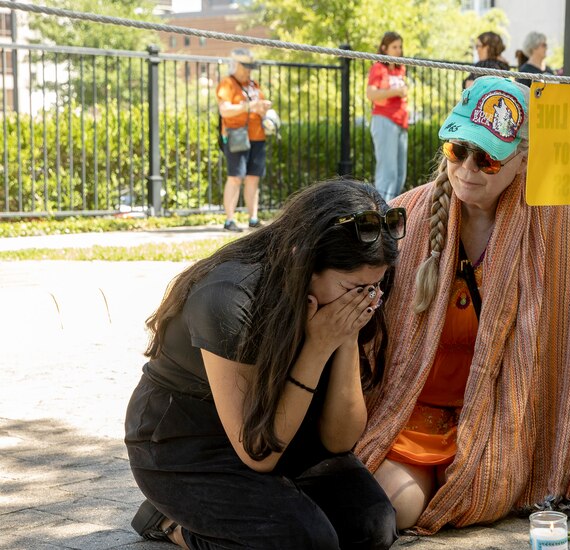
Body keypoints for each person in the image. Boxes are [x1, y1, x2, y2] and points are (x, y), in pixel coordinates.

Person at [353, 76, 570, 534]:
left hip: (501, 417)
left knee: (482, 488)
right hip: (415, 410)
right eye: (458, 150)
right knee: (392, 510)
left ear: (523, 159)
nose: (468, 169)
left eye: (489, 159)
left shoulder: (551, 224)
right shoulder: (406, 214)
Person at [125, 179, 403, 549]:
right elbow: (258, 452)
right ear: (303, 261)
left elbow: (339, 440)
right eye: (354, 289)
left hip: (285, 426)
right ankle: (173, 524)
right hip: (190, 443)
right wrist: (318, 347)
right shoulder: (227, 297)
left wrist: (346, 337)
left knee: (373, 528)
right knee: (306, 544)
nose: (366, 300)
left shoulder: (358, 290)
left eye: (373, 287)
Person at [216, 48, 271, 232]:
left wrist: (263, 108)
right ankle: (229, 220)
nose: (248, 70)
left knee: (253, 177)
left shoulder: (253, 85)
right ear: (235, 65)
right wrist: (249, 106)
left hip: (257, 135)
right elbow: (225, 110)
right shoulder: (228, 83)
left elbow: (258, 108)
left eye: (250, 67)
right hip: (236, 135)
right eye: (245, 67)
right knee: (235, 178)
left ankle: (253, 218)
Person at [368, 32, 410, 202]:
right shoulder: (378, 68)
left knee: (400, 173)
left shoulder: (401, 69)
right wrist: (396, 91)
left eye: (400, 47)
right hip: (384, 120)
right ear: (384, 48)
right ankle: (381, 209)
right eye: (394, 47)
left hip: (401, 122)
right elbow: (371, 94)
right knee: (388, 173)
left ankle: (392, 208)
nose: (398, 50)